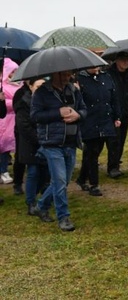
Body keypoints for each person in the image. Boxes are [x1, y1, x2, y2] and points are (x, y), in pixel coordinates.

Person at [31, 69, 87, 231]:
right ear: (54, 74)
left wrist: (78, 115)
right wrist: (58, 113)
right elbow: (35, 116)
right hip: (52, 143)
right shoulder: (42, 92)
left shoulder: (74, 90)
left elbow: (84, 109)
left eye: (69, 74)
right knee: (61, 181)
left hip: (71, 142)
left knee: (62, 181)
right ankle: (64, 217)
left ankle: (41, 206)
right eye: (63, 75)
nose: (66, 78)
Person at [75, 66, 121, 197]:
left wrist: (117, 116)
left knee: (94, 152)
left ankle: (82, 178)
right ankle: (93, 184)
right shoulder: (80, 79)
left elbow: (114, 98)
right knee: (92, 152)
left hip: (105, 119)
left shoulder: (106, 77)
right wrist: (76, 91)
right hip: (89, 120)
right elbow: (76, 102)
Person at [13, 78, 49, 214]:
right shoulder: (23, 102)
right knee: (33, 172)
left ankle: (42, 197)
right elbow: (24, 126)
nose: (40, 89)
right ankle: (31, 202)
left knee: (45, 172)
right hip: (29, 143)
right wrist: (39, 138)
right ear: (31, 86)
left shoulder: (47, 101)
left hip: (45, 141)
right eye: (38, 86)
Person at [108, 52, 128, 178]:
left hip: (125, 112)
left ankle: (115, 165)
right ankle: (112, 167)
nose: (125, 62)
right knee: (113, 141)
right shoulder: (110, 74)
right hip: (112, 113)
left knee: (120, 140)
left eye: (127, 60)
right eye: (122, 60)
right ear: (116, 60)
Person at [0, 58, 21, 185]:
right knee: (3, 146)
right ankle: (3, 170)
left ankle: (7, 169)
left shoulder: (20, 85)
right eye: (13, 71)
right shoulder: (2, 86)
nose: (15, 73)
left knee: (12, 145)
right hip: (4, 120)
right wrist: (12, 103)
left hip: (16, 119)